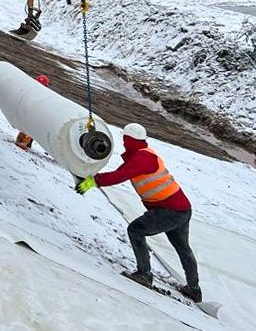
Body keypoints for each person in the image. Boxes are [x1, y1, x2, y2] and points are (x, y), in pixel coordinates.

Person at [75, 123, 202, 302]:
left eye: (124, 139)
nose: (123, 142)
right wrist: (95, 177)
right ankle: (194, 289)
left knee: (136, 231)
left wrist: (93, 181)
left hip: (170, 210)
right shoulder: (143, 154)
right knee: (183, 248)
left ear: (129, 140)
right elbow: (121, 171)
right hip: (182, 208)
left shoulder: (142, 158)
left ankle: (144, 274)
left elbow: (120, 176)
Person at [14, 74, 50, 149]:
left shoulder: (44, 95)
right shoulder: (33, 92)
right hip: (31, 112)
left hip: (36, 114)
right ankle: (22, 141)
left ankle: (25, 143)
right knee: (27, 127)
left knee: (30, 128)